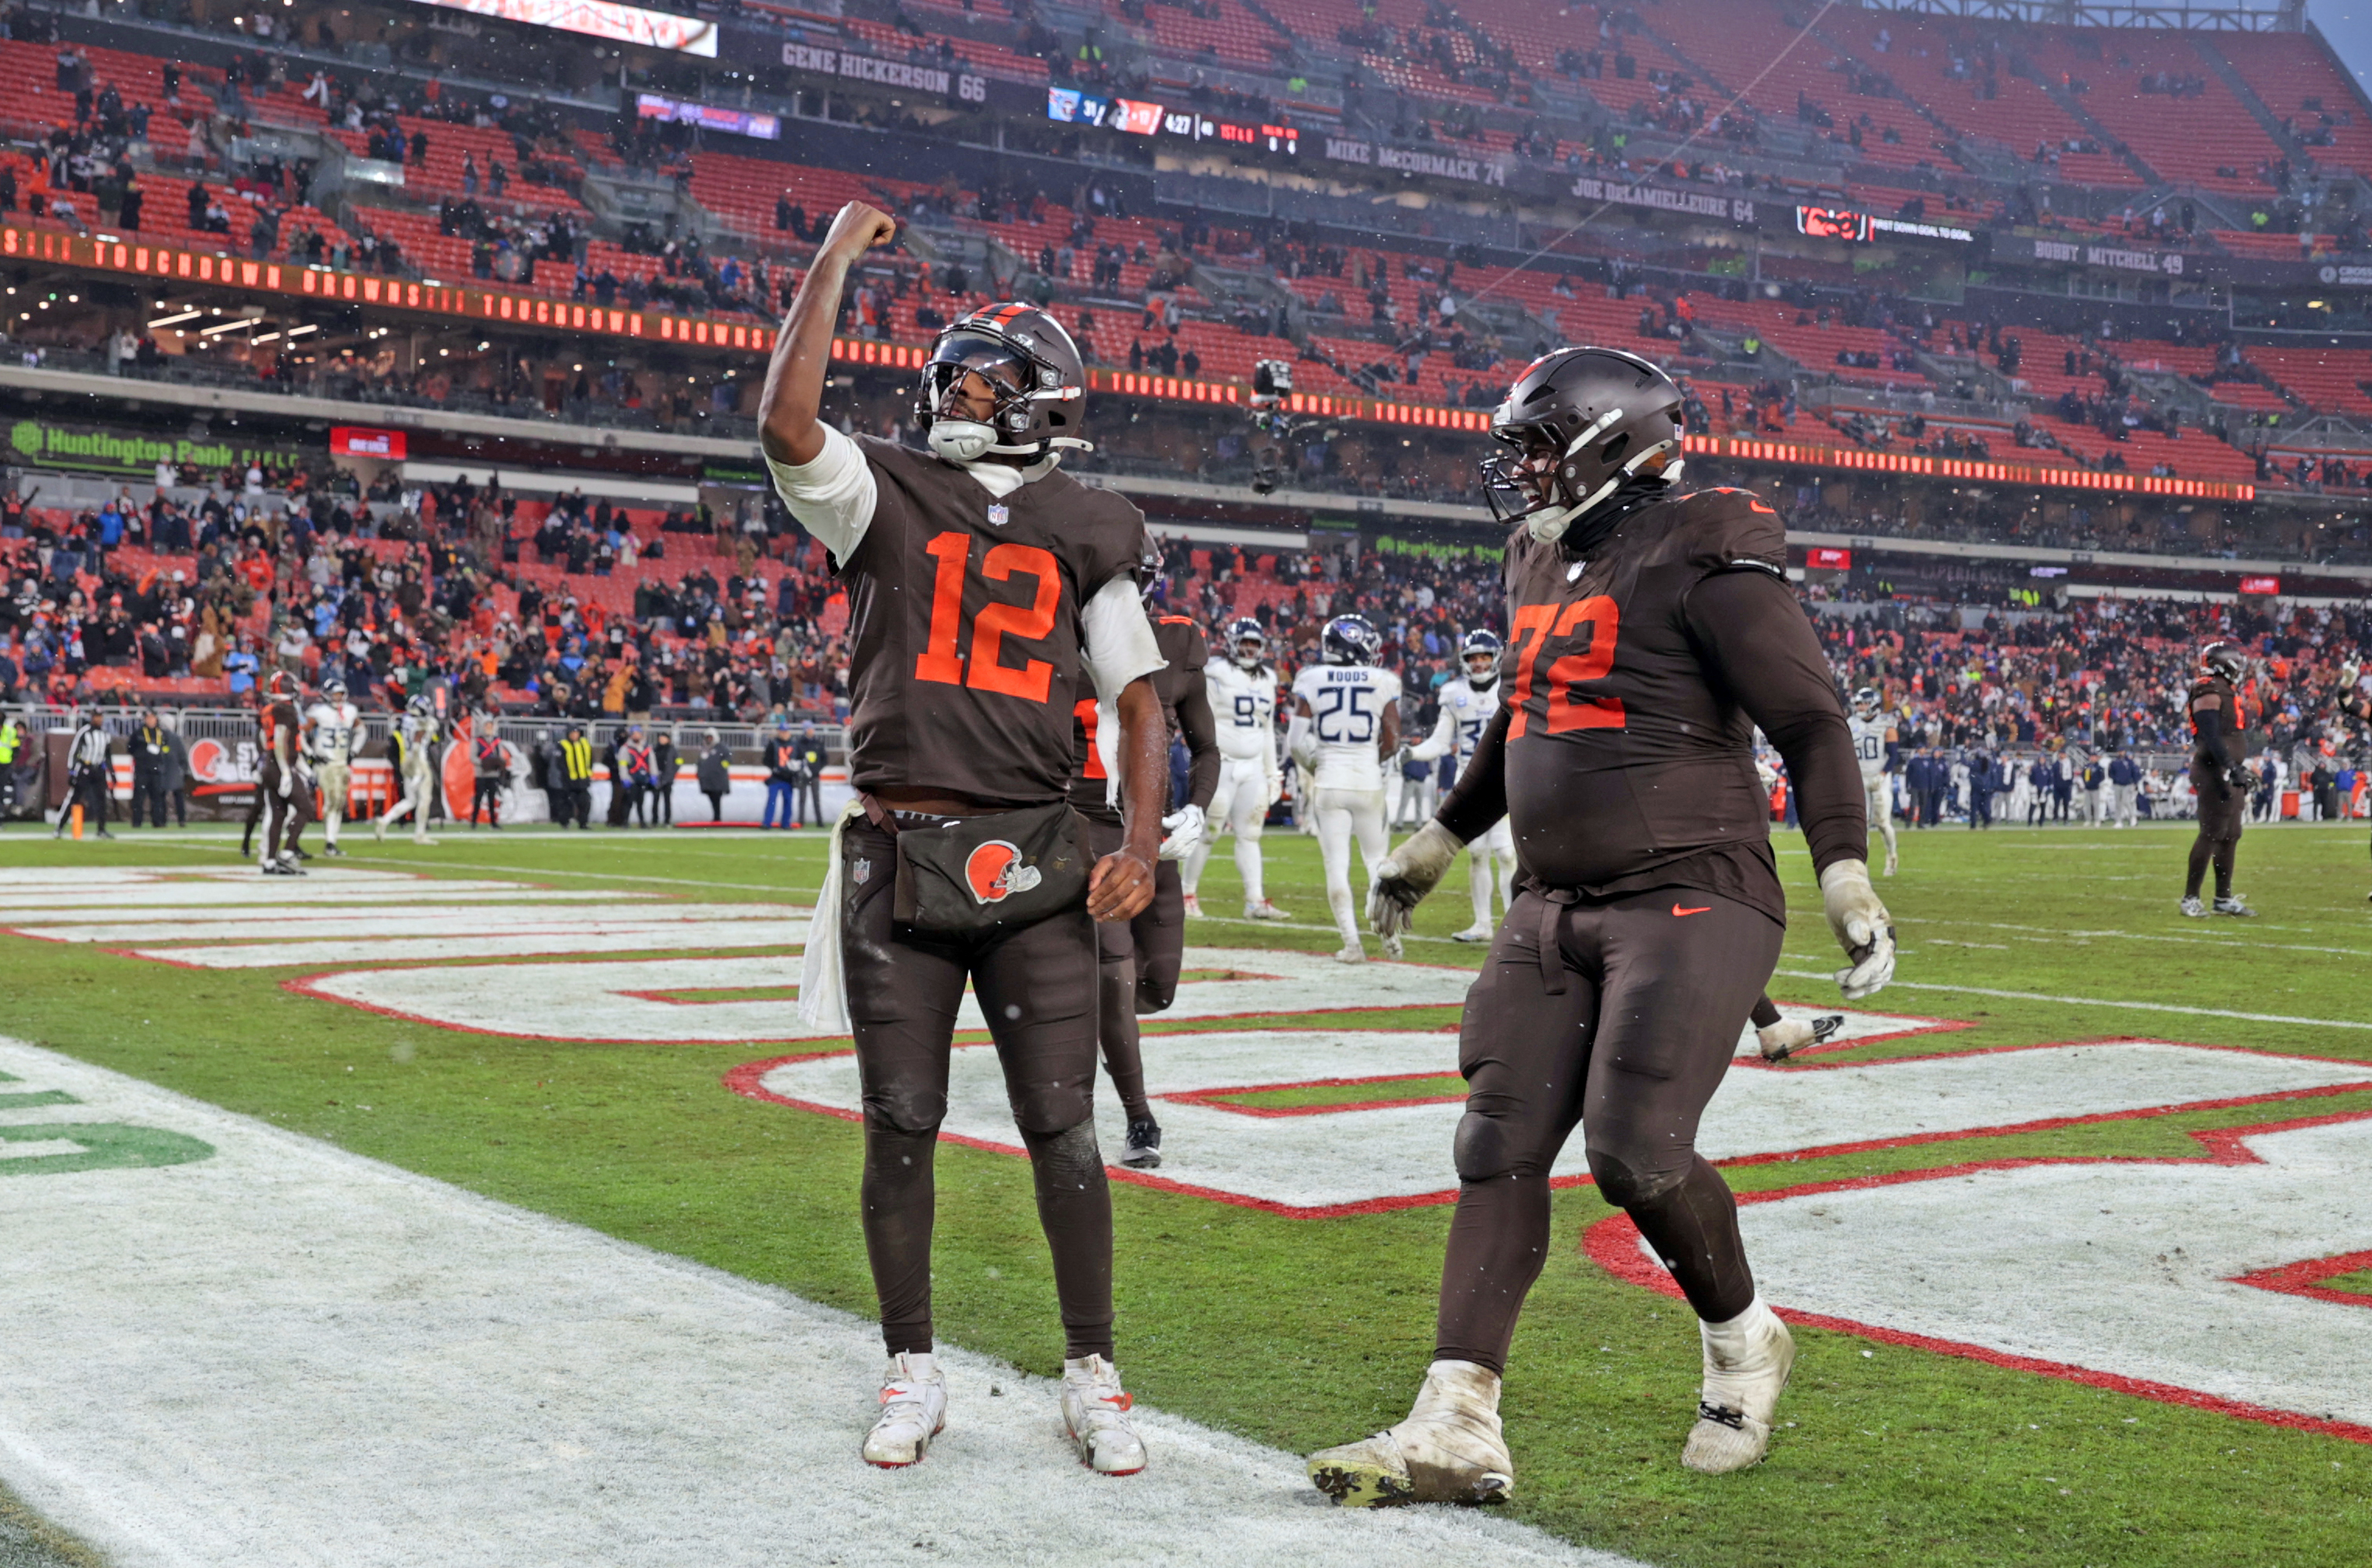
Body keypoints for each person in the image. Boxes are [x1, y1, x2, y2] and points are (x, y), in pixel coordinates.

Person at [1308, 345, 1892, 1506]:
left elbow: (1812, 722)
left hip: (1691, 884)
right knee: (1494, 1140)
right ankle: (1456, 1417)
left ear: (1607, 444)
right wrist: (1438, 838)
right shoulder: (1536, 552)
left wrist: (1841, 875)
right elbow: (1524, 711)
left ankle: (1742, 1340)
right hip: (1552, 899)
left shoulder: (1705, 549)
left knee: (1632, 1152)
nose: (1514, 471)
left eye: (1533, 446)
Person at [761, 204, 1168, 1477]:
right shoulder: (881, 490)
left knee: (1065, 1123)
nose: (955, 389)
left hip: (1041, 860)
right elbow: (786, 422)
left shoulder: (1088, 522)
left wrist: (1144, 847)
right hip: (901, 848)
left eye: (986, 378)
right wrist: (832, 256)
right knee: (901, 1119)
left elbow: (1142, 701)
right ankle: (911, 1364)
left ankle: (1095, 1373)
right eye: (953, 373)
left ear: (1041, 403)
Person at [1069, 558, 1217, 1170]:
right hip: (1081, 827)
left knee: (1156, 986)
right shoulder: (1051, 642)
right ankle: (1139, 1114)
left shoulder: (1177, 642)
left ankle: (1074, 1012)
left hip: (1148, 829)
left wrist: (1196, 811)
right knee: (1114, 973)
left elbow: (1206, 745)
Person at [1289, 613, 1402, 962]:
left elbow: (1295, 742)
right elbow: (1393, 740)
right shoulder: (1383, 680)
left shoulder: (1312, 677)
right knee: (1377, 863)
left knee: (1336, 865)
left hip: (1329, 781)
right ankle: (1390, 938)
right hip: (1367, 779)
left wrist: (1318, 763)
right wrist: (1371, 758)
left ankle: (1352, 945)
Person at [1405, 629, 1515, 941]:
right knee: (1478, 853)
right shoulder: (1454, 693)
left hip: (1507, 779)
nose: (1479, 663)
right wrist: (1412, 751)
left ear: (1495, 658)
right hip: (1469, 783)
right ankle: (1482, 924)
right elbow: (1440, 741)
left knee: (1506, 854)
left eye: (1484, 657)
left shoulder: (1511, 688)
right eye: (1473, 658)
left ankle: (1511, 926)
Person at [1183, 616, 1287, 921]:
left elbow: (1267, 729)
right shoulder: (1215, 673)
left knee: (1250, 834)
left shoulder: (1268, 678)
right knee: (1208, 832)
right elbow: (1201, 721)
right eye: (1245, 643)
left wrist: (1273, 772)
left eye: (1255, 644)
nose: (1250, 649)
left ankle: (1254, 900)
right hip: (1222, 763)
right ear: (1232, 644)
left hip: (1253, 765)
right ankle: (1186, 893)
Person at [2181, 641, 2255, 917]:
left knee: (2231, 835)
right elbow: (2210, 735)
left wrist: (2237, 767)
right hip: (2213, 769)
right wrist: (2229, 766)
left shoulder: (2224, 690)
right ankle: (2190, 898)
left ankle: (2223, 899)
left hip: (2227, 768)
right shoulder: (2208, 687)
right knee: (2211, 832)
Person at [254, 671, 309, 873]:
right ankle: (287, 853)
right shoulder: (285, 710)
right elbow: (280, 741)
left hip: (271, 764)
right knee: (306, 809)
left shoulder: (270, 709)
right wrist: (286, 771)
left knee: (278, 814)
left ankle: (269, 861)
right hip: (279, 766)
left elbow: (264, 739)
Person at [375, 694, 441, 846]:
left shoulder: (404, 720)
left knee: (410, 800)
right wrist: (419, 772)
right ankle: (420, 834)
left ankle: (385, 820)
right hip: (418, 761)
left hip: (406, 761)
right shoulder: (423, 722)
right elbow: (418, 740)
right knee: (424, 799)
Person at [1846, 688, 1900, 871]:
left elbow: (1893, 755)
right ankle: (1862, 865)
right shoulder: (1851, 723)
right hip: (1859, 777)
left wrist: (1883, 774)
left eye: (1864, 703)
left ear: (1873, 704)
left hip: (1880, 777)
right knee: (1861, 824)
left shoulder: (1886, 723)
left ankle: (1892, 856)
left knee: (1883, 823)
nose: (1860, 707)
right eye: (1858, 703)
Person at [306, 679, 360, 854]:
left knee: (338, 802)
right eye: (335, 694)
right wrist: (310, 754)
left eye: (340, 694)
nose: (338, 698)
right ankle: (329, 842)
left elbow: (362, 730)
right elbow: (300, 731)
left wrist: (354, 751)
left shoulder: (350, 711)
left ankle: (331, 842)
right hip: (326, 763)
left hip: (341, 763)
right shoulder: (318, 712)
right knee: (331, 802)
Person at [54, 707, 113, 840]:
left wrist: (112, 772)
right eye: (96, 716)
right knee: (74, 798)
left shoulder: (105, 734)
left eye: (100, 716)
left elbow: (108, 755)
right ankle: (59, 828)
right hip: (85, 768)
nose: (99, 719)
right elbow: (74, 752)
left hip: (98, 769)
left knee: (102, 800)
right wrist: (72, 771)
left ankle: (101, 830)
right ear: (92, 717)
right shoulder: (84, 732)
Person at [128, 706, 173, 828]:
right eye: (148, 718)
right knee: (139, 797)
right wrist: (142, 753)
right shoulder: (138, 733)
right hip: (142, 770)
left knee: (158, 797)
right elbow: (130, 748)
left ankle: (158, 821)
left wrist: (161, 752)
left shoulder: (162, 733)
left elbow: (167, 748)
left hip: (157, 770)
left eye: (152, 718)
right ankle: (137, 822)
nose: (150, 720)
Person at [468, 712, 508, 829]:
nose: (489, 728)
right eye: (487, 726)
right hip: (481, 774)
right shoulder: (477, 741)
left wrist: (497, 763)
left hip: (493, 774)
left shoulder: (496, 741)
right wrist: (484, 763)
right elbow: (472, 757)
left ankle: (493, 822)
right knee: (478, 798)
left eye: (490, 726)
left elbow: (500, 755)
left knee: (492, 799)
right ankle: (474, 821)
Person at [617, 724, 655, 827]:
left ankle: (642, 822)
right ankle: (625, 821)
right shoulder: (626, 748)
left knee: (641, 802)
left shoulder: (647, 748)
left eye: (638, 734)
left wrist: (653, 775)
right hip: (632, 778)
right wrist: (625, 778)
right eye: (635, 734)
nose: (637, 736)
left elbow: (652, 763)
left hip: (643, 778)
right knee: (628, 802)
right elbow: (623, 764)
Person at [557, 722, 594, 827]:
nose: (575, 735)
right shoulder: (563, 745)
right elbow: (560, 763)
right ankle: (564, 821)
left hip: (582, 779)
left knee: (585, 802)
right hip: (569, 780)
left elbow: (590, 759)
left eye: (576, 733)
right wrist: (566, 776)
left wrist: (588, 774)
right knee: (567, 802)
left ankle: (583, 823)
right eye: (572, 733)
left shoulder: (584, 743)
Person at [763, 722, 797, 829]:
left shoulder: (795, 744)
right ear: (779, 732)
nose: (784, 734)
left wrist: (796, 768)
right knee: (772, 801)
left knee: (788, 801)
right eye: (782, 732)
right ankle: (767, 823)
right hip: (776, 777)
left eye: (786, 731)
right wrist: (774, 768)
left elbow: (799, 758)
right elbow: (766, 759)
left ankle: (786, 823)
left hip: (789, 777)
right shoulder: (773, 743)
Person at [793, 722, 828, 827]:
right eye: (809, 729)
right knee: (802, 799)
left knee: (816, 799)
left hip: (815, 775)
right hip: (803, 775)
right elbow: (796, 758)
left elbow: (824, 759)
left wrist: (817, 770)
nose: (811, 731)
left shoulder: (818, 743)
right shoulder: (799, 743)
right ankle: (801, 821)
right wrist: (801, 769)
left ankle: (820, 821)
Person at [696, 728, 731, 821]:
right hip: (707, 779)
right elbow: (700, 763)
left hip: (718, 779)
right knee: (712, 798)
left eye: (710, 737)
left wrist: (721, 768)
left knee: (716, 798)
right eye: (707, 737)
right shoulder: (704, 749)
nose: (709, 739)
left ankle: (717, 817)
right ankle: (716, 816)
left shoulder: (721, 748)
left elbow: (728, 758)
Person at [652, 726, 679, 826]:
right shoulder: (655, 749)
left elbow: (678, 762)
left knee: (667, 800)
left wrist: (671, 773)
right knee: (656, 799)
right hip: (657, 778)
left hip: (668, 778)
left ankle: (667, 820)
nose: (662, 740)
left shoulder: (672, 750)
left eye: (664, 738)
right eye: (660, 738)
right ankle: (655, 820)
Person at [2108, 750, 2140, 827]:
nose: (2121, 753)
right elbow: (2111, 773)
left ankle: (2132, 818)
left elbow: (2134, 773)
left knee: (2127, 802)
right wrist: (2116, 779)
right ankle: (2118, 821)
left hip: (2127, 784)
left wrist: (2134, 783)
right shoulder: (2115, 762)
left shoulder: (2129, 762)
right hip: (2117, 784)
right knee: (2118, 804)